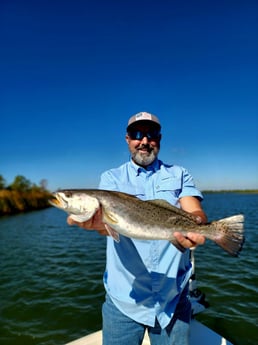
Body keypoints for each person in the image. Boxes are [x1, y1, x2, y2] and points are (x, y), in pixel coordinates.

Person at [67, 111, 208, 345]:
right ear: (127, 139)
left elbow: (195, 212)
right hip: (124, 302)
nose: (144, 140)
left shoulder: (179, 174)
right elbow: (108, 228)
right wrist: (97, 225)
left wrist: (199, 227)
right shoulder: (111, 179)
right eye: (137, 134)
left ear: (159, 139)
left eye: (151, 134)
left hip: (172, 298)